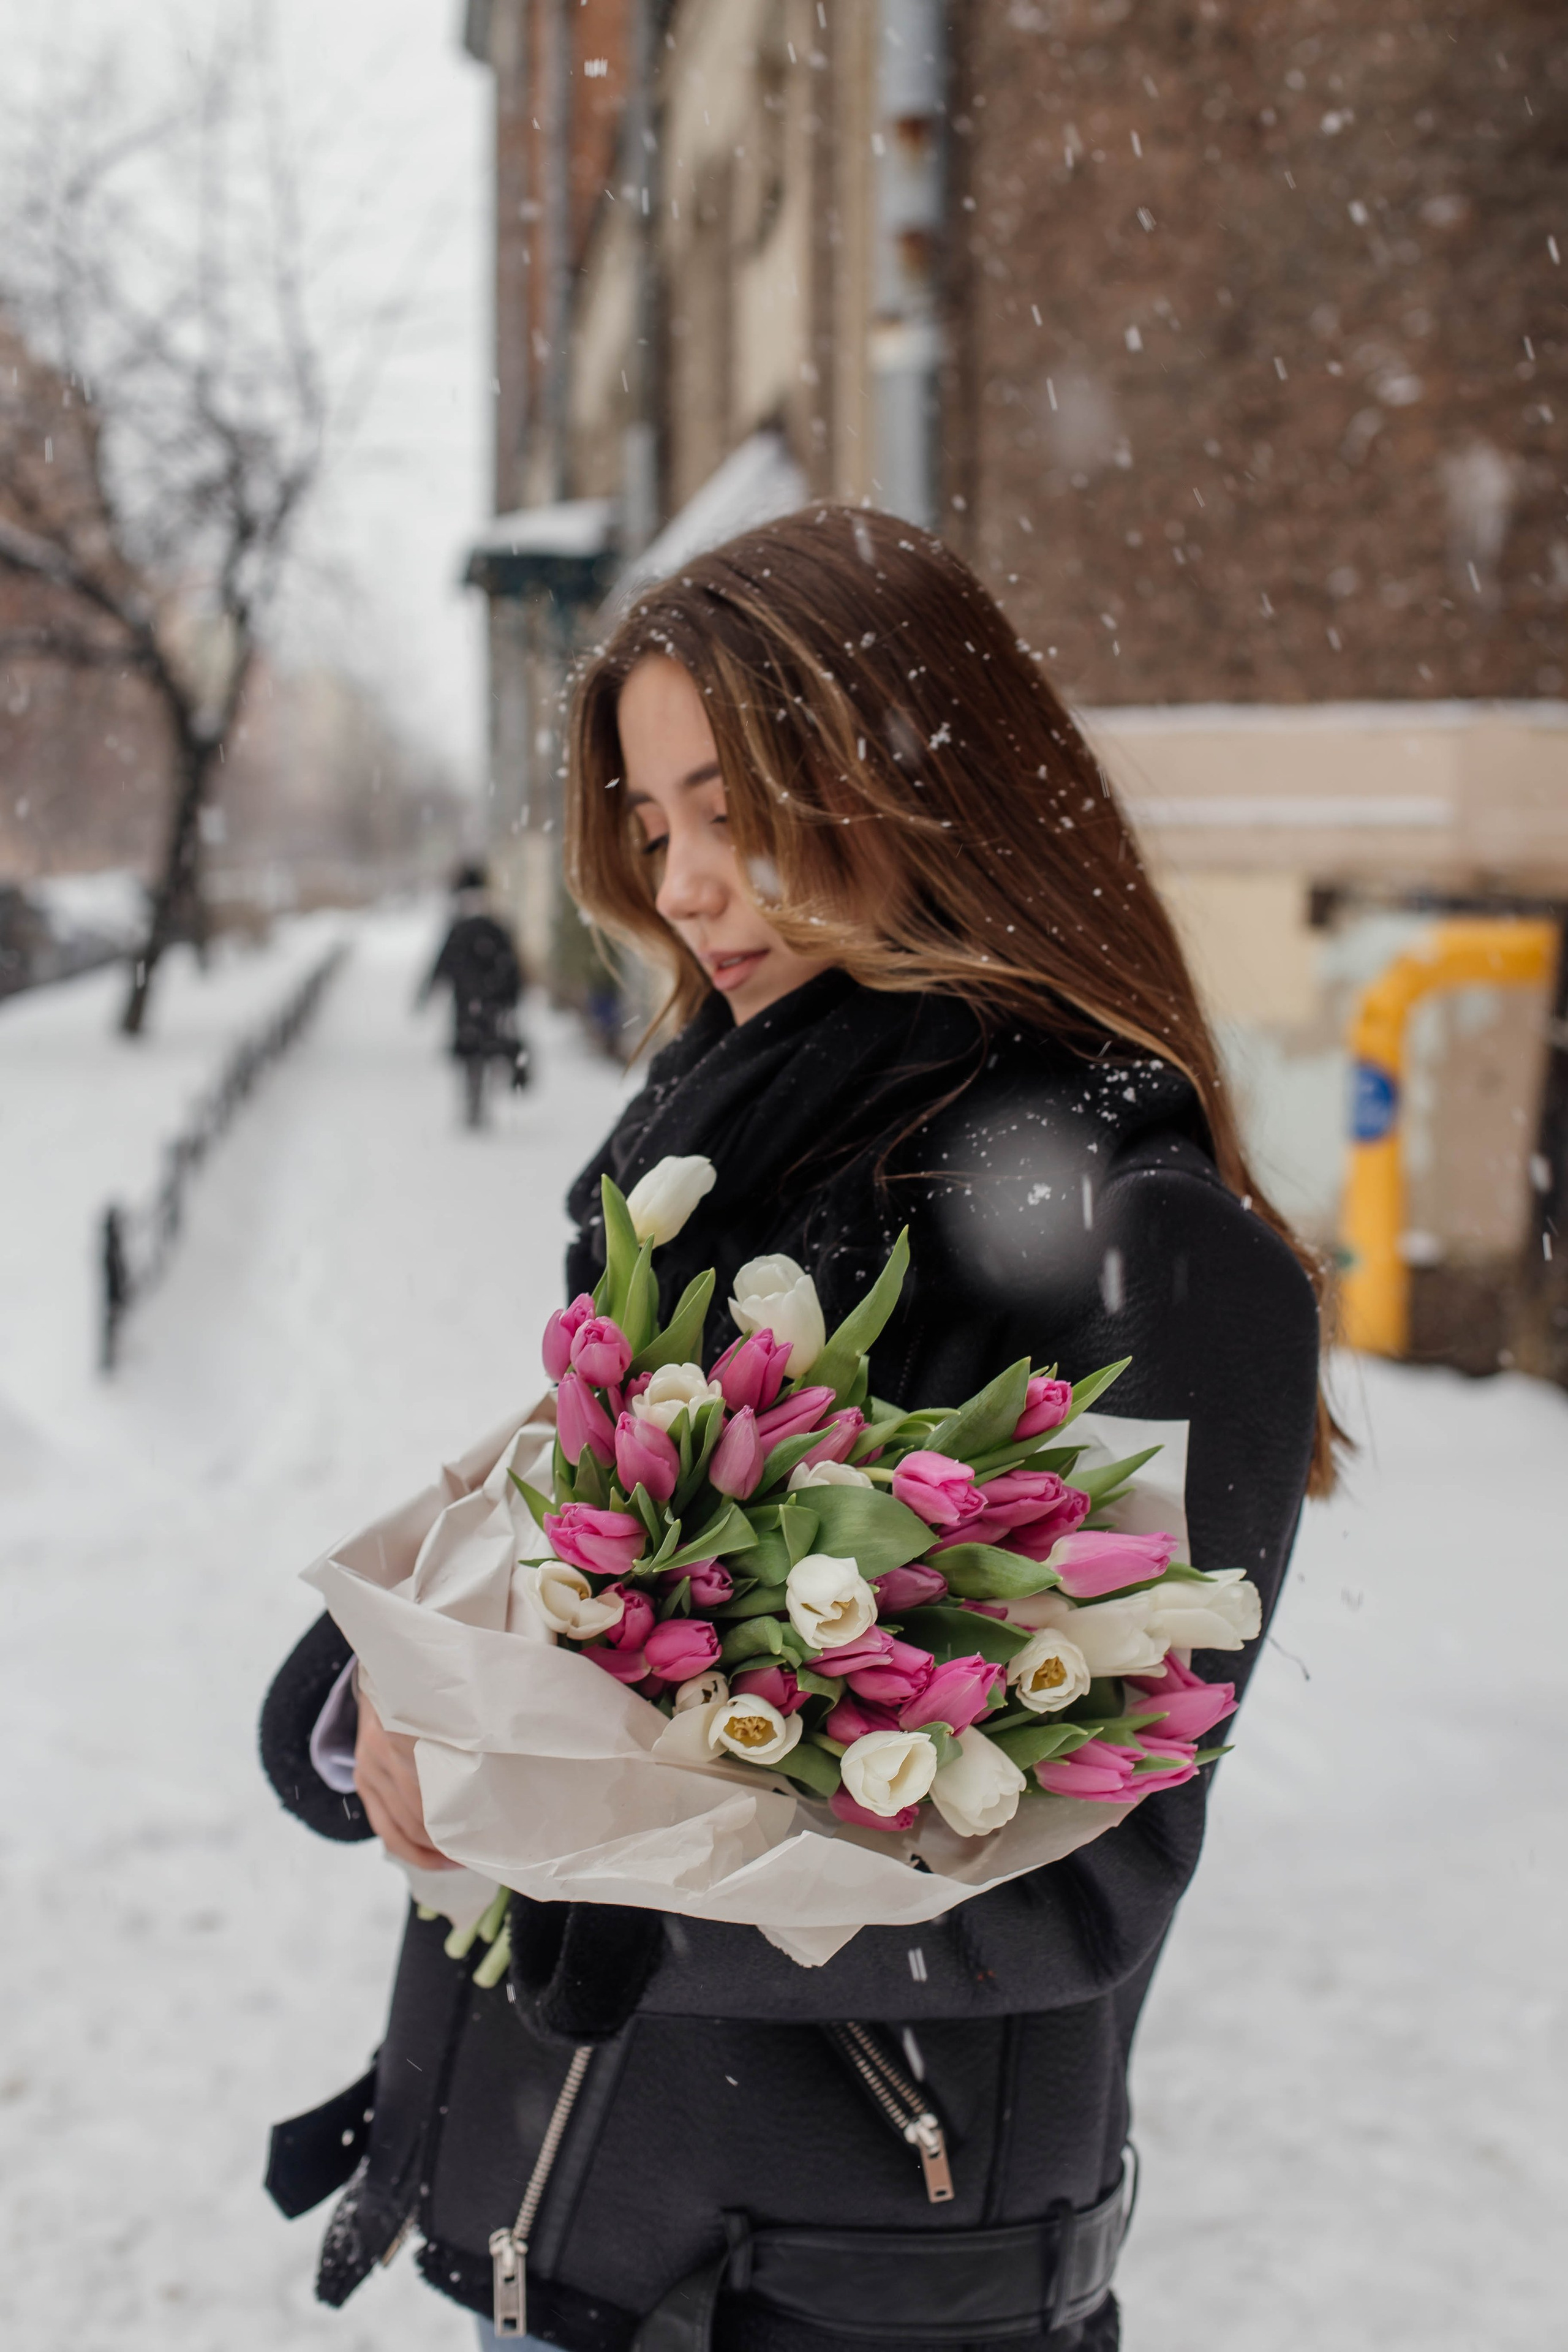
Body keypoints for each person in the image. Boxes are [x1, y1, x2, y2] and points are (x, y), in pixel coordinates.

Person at [260, 509, 1329, 2351]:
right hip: (570, 2242)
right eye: (651, 824)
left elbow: (1082, 1874)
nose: (680, 884)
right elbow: (576, 1585)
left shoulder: (1140, 1243)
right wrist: (396, 1690)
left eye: (732, 811)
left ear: (925, 787)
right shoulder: (718, 1169)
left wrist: (566, 1840)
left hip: (839, 2288)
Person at [421, 862, 529, 1128]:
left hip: (477, 1006)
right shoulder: (487, 928)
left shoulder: (474, 929)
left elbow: (509, 969)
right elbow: (445, 963)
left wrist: (429, 991)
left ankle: (477, 1105)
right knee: (478, 1055)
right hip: (480, 1006)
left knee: (478, 1055)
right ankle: (476, 1105)